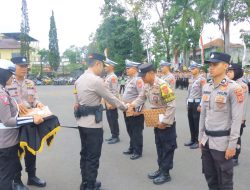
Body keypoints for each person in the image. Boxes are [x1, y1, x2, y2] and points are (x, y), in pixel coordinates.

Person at [74, 53, 128, 190]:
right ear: (97, 63)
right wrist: (125, 107)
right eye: (102, 65)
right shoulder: (96, 80)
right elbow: (111, 98)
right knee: (93, 156)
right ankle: (90, 186)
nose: (103, 69)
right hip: (93, 125)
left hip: (81, 123)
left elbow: (77, 101)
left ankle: (85, 181)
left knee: (85, 154)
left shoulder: (79, 79)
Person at [199, 52, 244, 190]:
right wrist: (200, 137)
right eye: (209, 65)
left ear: (225, 66)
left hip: (222, 143)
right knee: (210, 176)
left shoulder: (234, 88)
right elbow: (203, 114)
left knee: (225, 181)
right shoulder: (207, 86)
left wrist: (232, 145)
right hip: (207, 140)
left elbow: (237, 119)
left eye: (214, 64)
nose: (210, 68)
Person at [129, 63, 177, 185]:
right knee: (159, 145)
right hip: (156, 120)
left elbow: (172, 105)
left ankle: (165, 173)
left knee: (167, 147)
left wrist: (165, 122)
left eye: (143, 76)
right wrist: (131, 105)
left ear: (151, 73)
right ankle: (160, 169)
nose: (142, 78)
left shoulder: (163, 85)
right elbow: (141, 98)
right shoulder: (147, 85)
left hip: (166, 122)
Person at [0, 59, 44, 190]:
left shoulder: (30, 83)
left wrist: (38, 103)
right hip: (14, 124)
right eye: (21, 66)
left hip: (29, 121)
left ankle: (32, 176)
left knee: (31, 149)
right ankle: (17, 180)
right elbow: (6, 113)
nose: (24, 69)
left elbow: (34, 98)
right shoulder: (6, 84)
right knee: (14, 154)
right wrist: (16, 105)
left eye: (26, 66)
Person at [122, 59, 144, 160]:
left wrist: (138, 110)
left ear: (135, 69)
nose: (126, 70)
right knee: (130, 129)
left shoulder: (138, 79)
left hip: (135, 110)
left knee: (136, 131)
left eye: (128, 68)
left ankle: (137, 151)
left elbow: (142, 96)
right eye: (126, 68)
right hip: (127, 109)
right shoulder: (129, 79)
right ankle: (132, 147)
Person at [227, 63, 248, 166]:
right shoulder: (229, 83)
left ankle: (235, 156)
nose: (228, 73)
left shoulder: (242, 85)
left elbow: (242, 105)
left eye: (231, 71)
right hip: (228, 117)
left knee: (237, 136)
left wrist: (241, 119)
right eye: (228, 71)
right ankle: (230, 153)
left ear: (237, 72)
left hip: (238, 117)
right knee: (229, 135)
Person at [185, 61, 206, 149]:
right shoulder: (191, 78)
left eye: (193, 68)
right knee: (191, 122)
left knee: (197, 122)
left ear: (198, 69)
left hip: (197, 103)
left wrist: (201, 105)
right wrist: (187, 103)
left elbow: (204, 93)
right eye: (191, 69)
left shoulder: (202, 79)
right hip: (190, 102)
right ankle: (192, 139)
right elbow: (189, 92)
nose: (191, 70)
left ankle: (198, 140)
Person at [103, 59, 120, 144]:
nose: (104, 67)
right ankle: (113, 135)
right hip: (107, 101)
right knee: (109, 119)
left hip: (111, 102)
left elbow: (115, 91)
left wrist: (113, 103)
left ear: (111, 67)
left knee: (113, 119)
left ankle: (116, 136)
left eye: (106, 66)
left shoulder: (113, 77)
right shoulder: (108, 76)